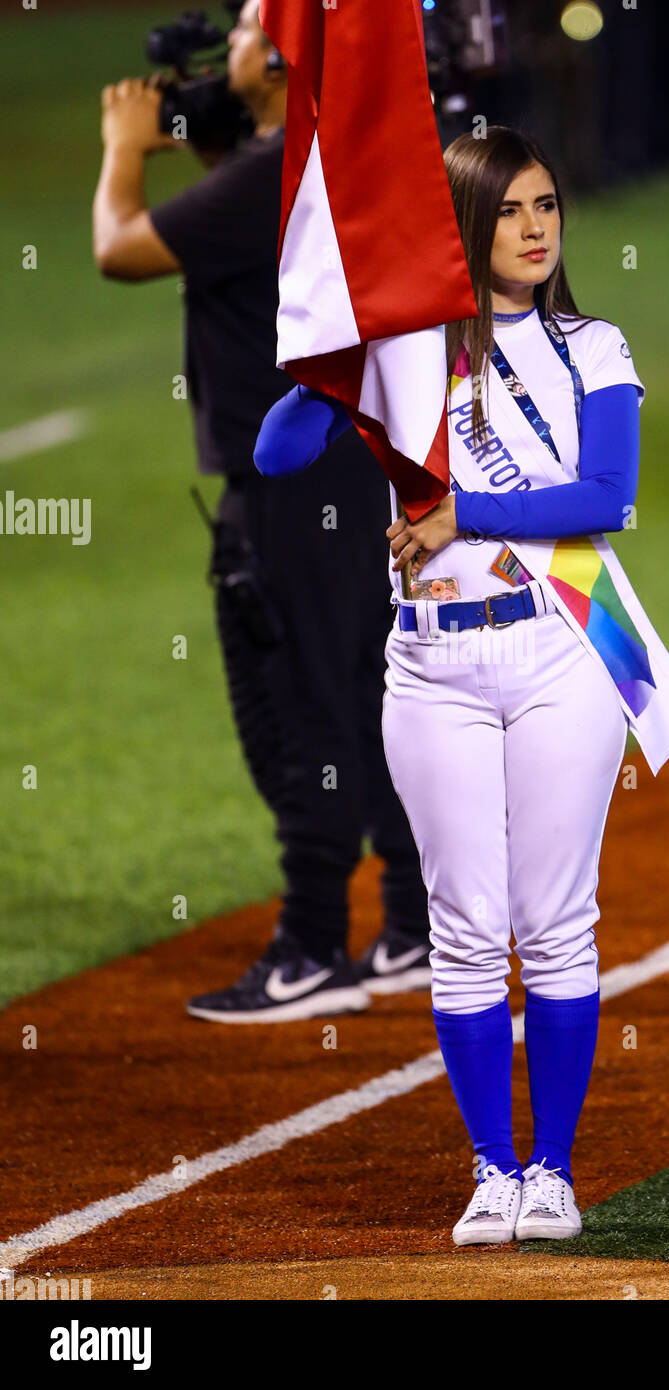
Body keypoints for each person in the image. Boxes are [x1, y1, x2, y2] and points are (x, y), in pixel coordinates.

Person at [255, 127, 669, 1241]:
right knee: (462, 924)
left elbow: (606, 496)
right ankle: (490, 1171)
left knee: (553, 918)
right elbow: (275, 451)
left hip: (561, 646)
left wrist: (469, 510)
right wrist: (349, 333)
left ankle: (552, 1170)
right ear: (463, 225)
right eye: (509, 210)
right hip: (432, 662)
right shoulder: (404, 357)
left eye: (547, 204)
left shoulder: (593, 345)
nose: (537, 226)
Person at [91, 0, 432, 1022]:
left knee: (301, 709)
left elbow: (122, 250)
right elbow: (249, 236)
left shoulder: (268, 173)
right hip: (345, 466)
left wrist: (122, 150)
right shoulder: (312, 165)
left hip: (290, 483)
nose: (231, 41)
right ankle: (412, 924)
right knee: (358, 701)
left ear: (284, 61)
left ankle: (310, 946)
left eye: (247, 29)